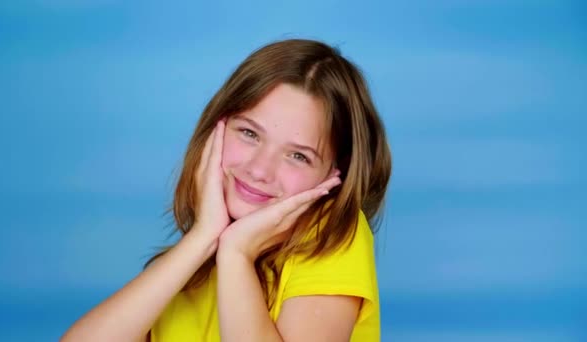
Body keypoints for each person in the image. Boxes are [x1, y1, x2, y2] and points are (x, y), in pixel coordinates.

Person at [62, 38, 392, 342]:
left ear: (335, 173)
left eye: (297, 156)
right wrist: (203, 238)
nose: (259, 170)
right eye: (249, 133)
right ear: (214, 129)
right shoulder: (192, 266)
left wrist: (236, 254)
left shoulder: (331, 236)